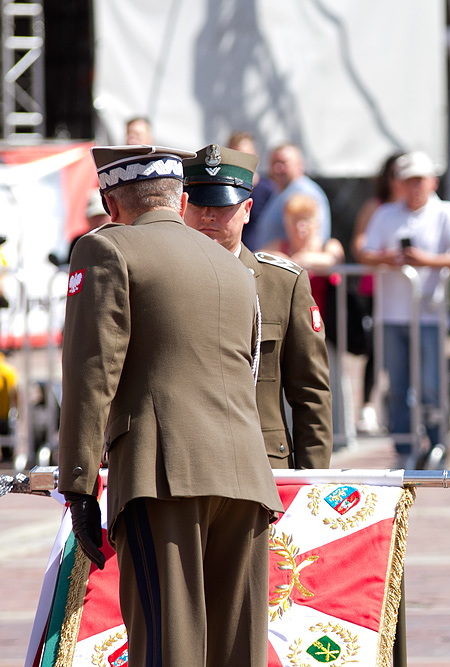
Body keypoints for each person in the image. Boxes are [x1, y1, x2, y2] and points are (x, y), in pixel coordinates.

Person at [58, 145, 282, 666]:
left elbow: (92, 374)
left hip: (162, 474)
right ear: (180, 199)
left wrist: (78, 484)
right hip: (246, 475)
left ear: (110, 203)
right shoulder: (232, 265)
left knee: (169, 648)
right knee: (235, 652)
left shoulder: (107, 249)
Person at [183, 143, 333, 469]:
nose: (208, 215)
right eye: (198, 205)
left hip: (262, 468)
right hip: (184, 467)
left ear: (248, 209)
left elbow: (310, 394)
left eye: (222, 206)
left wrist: (311, 483)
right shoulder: (159, 276)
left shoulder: (283, 285)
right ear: (182, 206)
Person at [358, 150, 450, 467]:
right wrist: (389, 258)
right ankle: (405, 447)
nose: (414, 187)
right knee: (397, 385)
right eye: (408, 180)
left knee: (430, 385)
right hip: (391, 314)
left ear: (431, 181)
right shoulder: (386, 214)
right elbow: (365, 252)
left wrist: (428, 261)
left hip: (429, 313)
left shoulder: (445, 212)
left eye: (419, 180)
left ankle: (437, 443)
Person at [351, 152, 404, 434]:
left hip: (406, 293)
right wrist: (384, 256)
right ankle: (368, 407)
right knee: (376, 350)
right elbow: (360, 246)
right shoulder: (376, 207)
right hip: (376, 289)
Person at [249, 142, 331, 250]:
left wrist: (296, 261)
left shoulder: (304, 192)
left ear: (300, 164)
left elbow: (315, 240)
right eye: (274, 163)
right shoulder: (280, 192)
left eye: (283, 162)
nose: (277, 168)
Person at [227, 131, 276, 242]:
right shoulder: (223, 189)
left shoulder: (269, 190)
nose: (242, 161)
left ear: (256, 156)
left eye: (246, 155)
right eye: (237, 156)